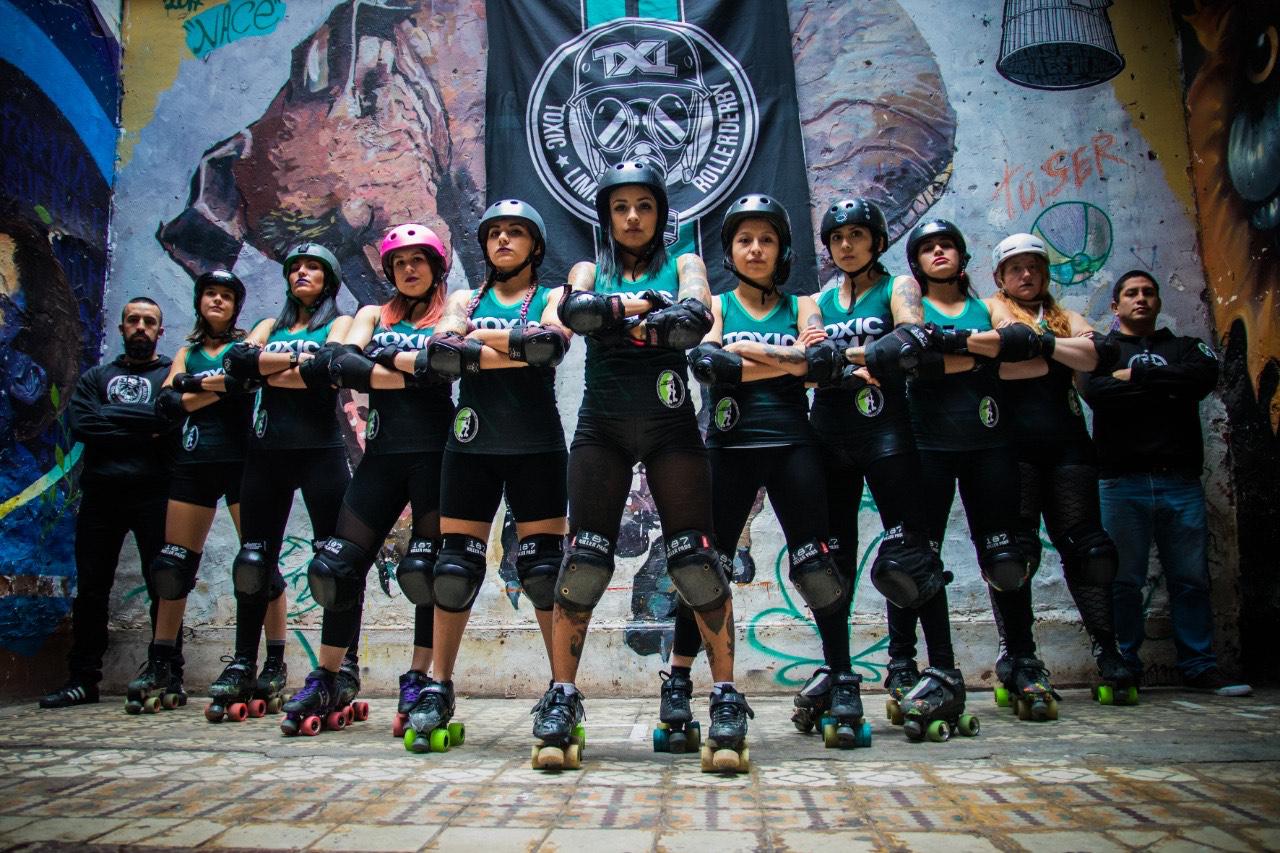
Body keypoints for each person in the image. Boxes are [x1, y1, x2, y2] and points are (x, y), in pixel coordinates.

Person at [541, 161, 746, 772]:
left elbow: (694, 316)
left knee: (695, 561)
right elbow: (575, 315)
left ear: (660, 214)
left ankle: (727, 698)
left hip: (670, 427)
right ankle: (562, 697)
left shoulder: (685, 263)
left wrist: (623, 312)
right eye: (620, 206)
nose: (632, 217)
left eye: (644, 206)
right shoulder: (585, 267)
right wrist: (647, 309)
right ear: (606, 215)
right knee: (582, 562)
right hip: (600, 428)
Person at [678, 195, 863, 749]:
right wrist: (788, 362)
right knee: (703, 569)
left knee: (817, 564)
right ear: (731, 251)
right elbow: (710, 367)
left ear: (781, 249)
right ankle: (680, 680)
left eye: (766, 240)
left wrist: (749, 356)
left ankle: (844, 677)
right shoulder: (714, 304)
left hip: (793, 446)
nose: (756, 249)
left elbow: (824, 365)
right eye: (744, 240)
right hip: (729, 448)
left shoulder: (805, 303)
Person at [400, 200, 570, 751]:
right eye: (495, 233)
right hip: (470, 443)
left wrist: (478, 347)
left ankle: (561, 689)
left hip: (536, 445)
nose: (502, 241)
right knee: (454, 567)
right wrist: (515, 349)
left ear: (535, 246)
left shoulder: (554, 297)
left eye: (515, 233)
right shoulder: (460, 298)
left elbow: (550, 348)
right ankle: (439, 684)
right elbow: (443, 349)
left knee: (544, 570)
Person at [803, 199, 964, 742]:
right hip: (828, 433)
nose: (846, 245)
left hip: (887, 430)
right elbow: (808, 365)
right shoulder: (817, 299)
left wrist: (841, 359)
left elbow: (912, 340)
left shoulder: (898, 287)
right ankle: (840, 671)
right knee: (833, 562)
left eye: (857, 235)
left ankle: (941, 667)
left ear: (875, 240)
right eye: (838, 237)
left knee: (911, 553)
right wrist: (866, 357)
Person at [291, 223, 456, 738]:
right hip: (380, 457)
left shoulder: (451, 313)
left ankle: (420, 675)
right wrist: (406, 368)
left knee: (425, 570)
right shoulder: (370, 313)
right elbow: (339, 362)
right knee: (337, 565)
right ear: (388, 270)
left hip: (435, 455)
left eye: (419, 261)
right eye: (400, 262)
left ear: (435, 268)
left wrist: (378, 361)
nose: (409, 269)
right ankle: (331, 674)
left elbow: (443, 369)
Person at [981, 234, 1134, 704]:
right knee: (1014, 556)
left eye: (1034, 267)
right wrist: (1059, 349)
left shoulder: (1065, 315)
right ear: (1001, 277)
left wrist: (1041, 344)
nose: (1026, 275)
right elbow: (1005, 359)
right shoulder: (991, 309)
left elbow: (1096, 356)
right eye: (1016, 269)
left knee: (1089, 551)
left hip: (1069, 446)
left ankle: (1109, 653)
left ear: (1045, 273)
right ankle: (1019, 655)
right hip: (1013, 447)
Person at [1083, 270, 1251, 697]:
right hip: (1121, 483)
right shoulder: (1100, 350)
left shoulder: (1186, 347)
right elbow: (1098, 394)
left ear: (1157, 301)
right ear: (1115, 305)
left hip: (1179, 481)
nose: (1140, 299)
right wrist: (1163, 383)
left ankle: (1199, 666)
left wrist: (1134, 378)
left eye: (1148, 292)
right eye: (1131, 293)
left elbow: (1200, 381)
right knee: (1123, 581)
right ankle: (1124, 666)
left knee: (1190, 578)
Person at [217, 243, 356, 726]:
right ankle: (245, 663)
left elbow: (326, 371)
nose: (302, 273)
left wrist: (268, 367)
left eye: (313, 267)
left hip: (321, 453)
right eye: (295, 267)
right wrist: (292, 366)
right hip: (267, 454)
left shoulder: (339, 323)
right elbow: (239, 365)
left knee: (334, 567)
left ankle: (344, 666)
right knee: (253, 562)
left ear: (329, 280)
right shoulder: (266, 326)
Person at [124, 271, 260, 715]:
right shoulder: (186, 351)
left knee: (256, 564)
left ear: (235, 306)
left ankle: (261, 660)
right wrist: (213, 387)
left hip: (241, 461)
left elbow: (241, 384)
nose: (216, 301)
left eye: (225, 296)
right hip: (193, 461)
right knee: (172, 566)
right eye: (210, 294)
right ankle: (162, 661)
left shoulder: (242, 350)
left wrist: (191, 387)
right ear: (200, 301)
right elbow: (166, 405)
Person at [40, 298, 176, 708]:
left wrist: (116, 418)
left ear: (159, 331)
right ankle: (83, 678)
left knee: (166, 587)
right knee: (93, 589)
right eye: (133, 320)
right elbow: (84, 425)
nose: (140, 327)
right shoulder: (97, 377)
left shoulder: (172, 375)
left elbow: (171, 423)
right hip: (100, 495)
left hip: (155, 493)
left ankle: (169, 673)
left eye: (148, 322)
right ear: (121, 328)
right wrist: (145, 425)